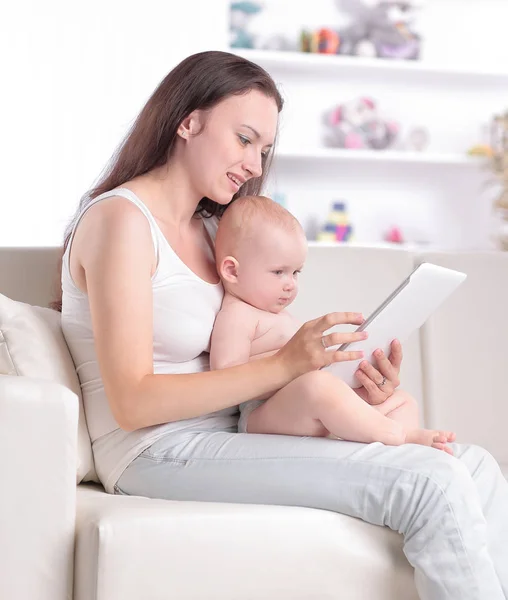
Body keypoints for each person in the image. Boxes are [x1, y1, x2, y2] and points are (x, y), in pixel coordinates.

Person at [54, 50, 508, 600]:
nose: (254, 164)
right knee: (429, 485)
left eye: (264, 150)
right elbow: (132, 402)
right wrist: (287, 363)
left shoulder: (214, 231)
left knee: (474, 465)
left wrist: (348, 386)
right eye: (244, 139)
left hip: (239, 428)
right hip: (155, 450)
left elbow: (254, 359)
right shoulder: (122, 221)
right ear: (188, 120)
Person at [210, 194, 456, 453]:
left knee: (402, 400)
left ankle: (398, 453)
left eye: (295, 272)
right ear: (232, 271)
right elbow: (224, 378)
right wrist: (286, 363)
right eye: (278, 272)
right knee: (318, 386)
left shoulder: (279, 317)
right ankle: (399, 435)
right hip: (263, 414)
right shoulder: (237, 314)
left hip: (311, 406)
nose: (290, 284)